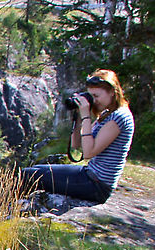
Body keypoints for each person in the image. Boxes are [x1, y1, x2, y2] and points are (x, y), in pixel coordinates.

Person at [22, 69, 135, 204]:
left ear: (112, 91)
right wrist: (79, 118)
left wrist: (86, 115)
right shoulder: (107, 114)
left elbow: (88, 153)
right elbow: (77, 145)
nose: (94, 100)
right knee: (34, 170)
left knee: (27, 175)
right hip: (91, 175)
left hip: (97, 185)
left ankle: (12, 213)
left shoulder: (119, 117)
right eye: (91, 96)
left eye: (96, 96)